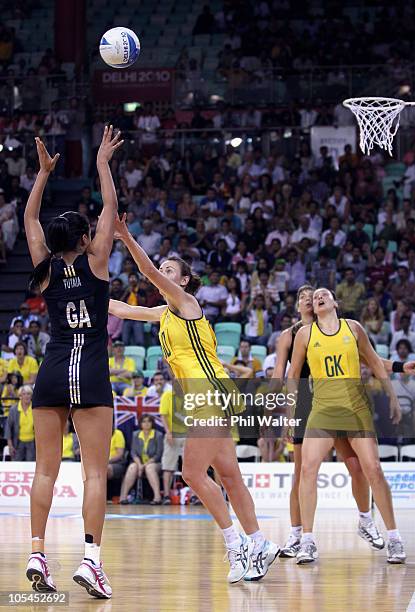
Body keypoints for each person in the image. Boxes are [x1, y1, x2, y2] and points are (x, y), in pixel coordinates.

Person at [109, 213, 280, 583]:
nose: (163, 273)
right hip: (208, 396)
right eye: (164, 269)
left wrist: (125, 235)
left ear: (184, 281)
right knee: (230, 477)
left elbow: (148, 273)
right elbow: (121, 309)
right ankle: (259, 543)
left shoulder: (187, 304)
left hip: (211, 392)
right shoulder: (163, 314)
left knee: (190, 472)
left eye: (170, 270)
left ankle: (234, 544)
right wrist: (78, 292)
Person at [24, 127, 123, 598]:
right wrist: (102, 163)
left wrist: (43, 176)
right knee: (94, 473)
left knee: (44, 470)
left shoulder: (44, 272)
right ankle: (91, 561)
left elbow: (29, 221)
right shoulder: (97, 262)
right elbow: (110, 210)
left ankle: (37, 553)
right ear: (84, 239)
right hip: (90, 372)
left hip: (51, 370)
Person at [274, 285, 415, 559]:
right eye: (310, 297)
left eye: (321, 294)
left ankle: (389, 533)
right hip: (319, 409)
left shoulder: (352, 328)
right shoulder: (299, 335)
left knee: (369, 469)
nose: (315, 298)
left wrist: (392, 395)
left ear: (335, 301)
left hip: (354, 409)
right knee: (304, 471)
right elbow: (289, 376)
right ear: (302, 306)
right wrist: (288, 414)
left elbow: (374, 361)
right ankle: (304, 538)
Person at [120, 414, 163, 505]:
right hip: (139, 462)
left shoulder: (158, 435)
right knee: (132, 467)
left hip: (155, 463)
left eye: (149, 421)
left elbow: (158, 455)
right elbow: (133, 453)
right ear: (140, 424)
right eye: (144, 421)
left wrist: (144, 465)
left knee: (150, 468)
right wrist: (140, 465)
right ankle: (123, 497)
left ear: (152, 423)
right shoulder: (135, 434)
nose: (146, 424)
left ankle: (157, 497)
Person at [6, 385, 35, 460]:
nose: (26, 396)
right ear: (20, 396)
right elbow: (8, 427)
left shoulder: (35, 409)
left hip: (32, 443)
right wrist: (10, 445)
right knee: (16, 464)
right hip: (17, 443)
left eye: (28, 394)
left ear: (31, 396)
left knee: (31, 466)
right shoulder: (13, 409)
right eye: (24, 394)